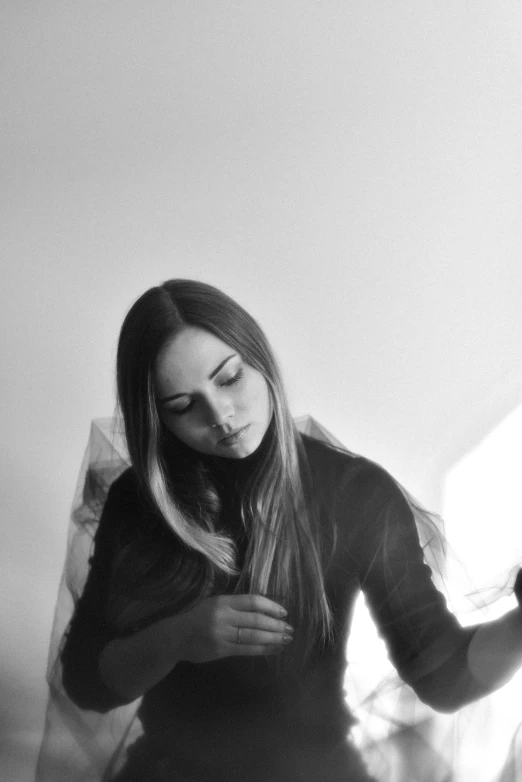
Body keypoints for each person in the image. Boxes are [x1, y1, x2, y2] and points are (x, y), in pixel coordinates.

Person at [49, 279, 522, 781]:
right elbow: (84, 682)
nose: (221, 415)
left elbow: (444, 677)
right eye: (184, 406)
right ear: (157, 420)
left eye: (229, 379)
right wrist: (176, 637)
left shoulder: (355, 493)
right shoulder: (139, 501)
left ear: (261, 362)